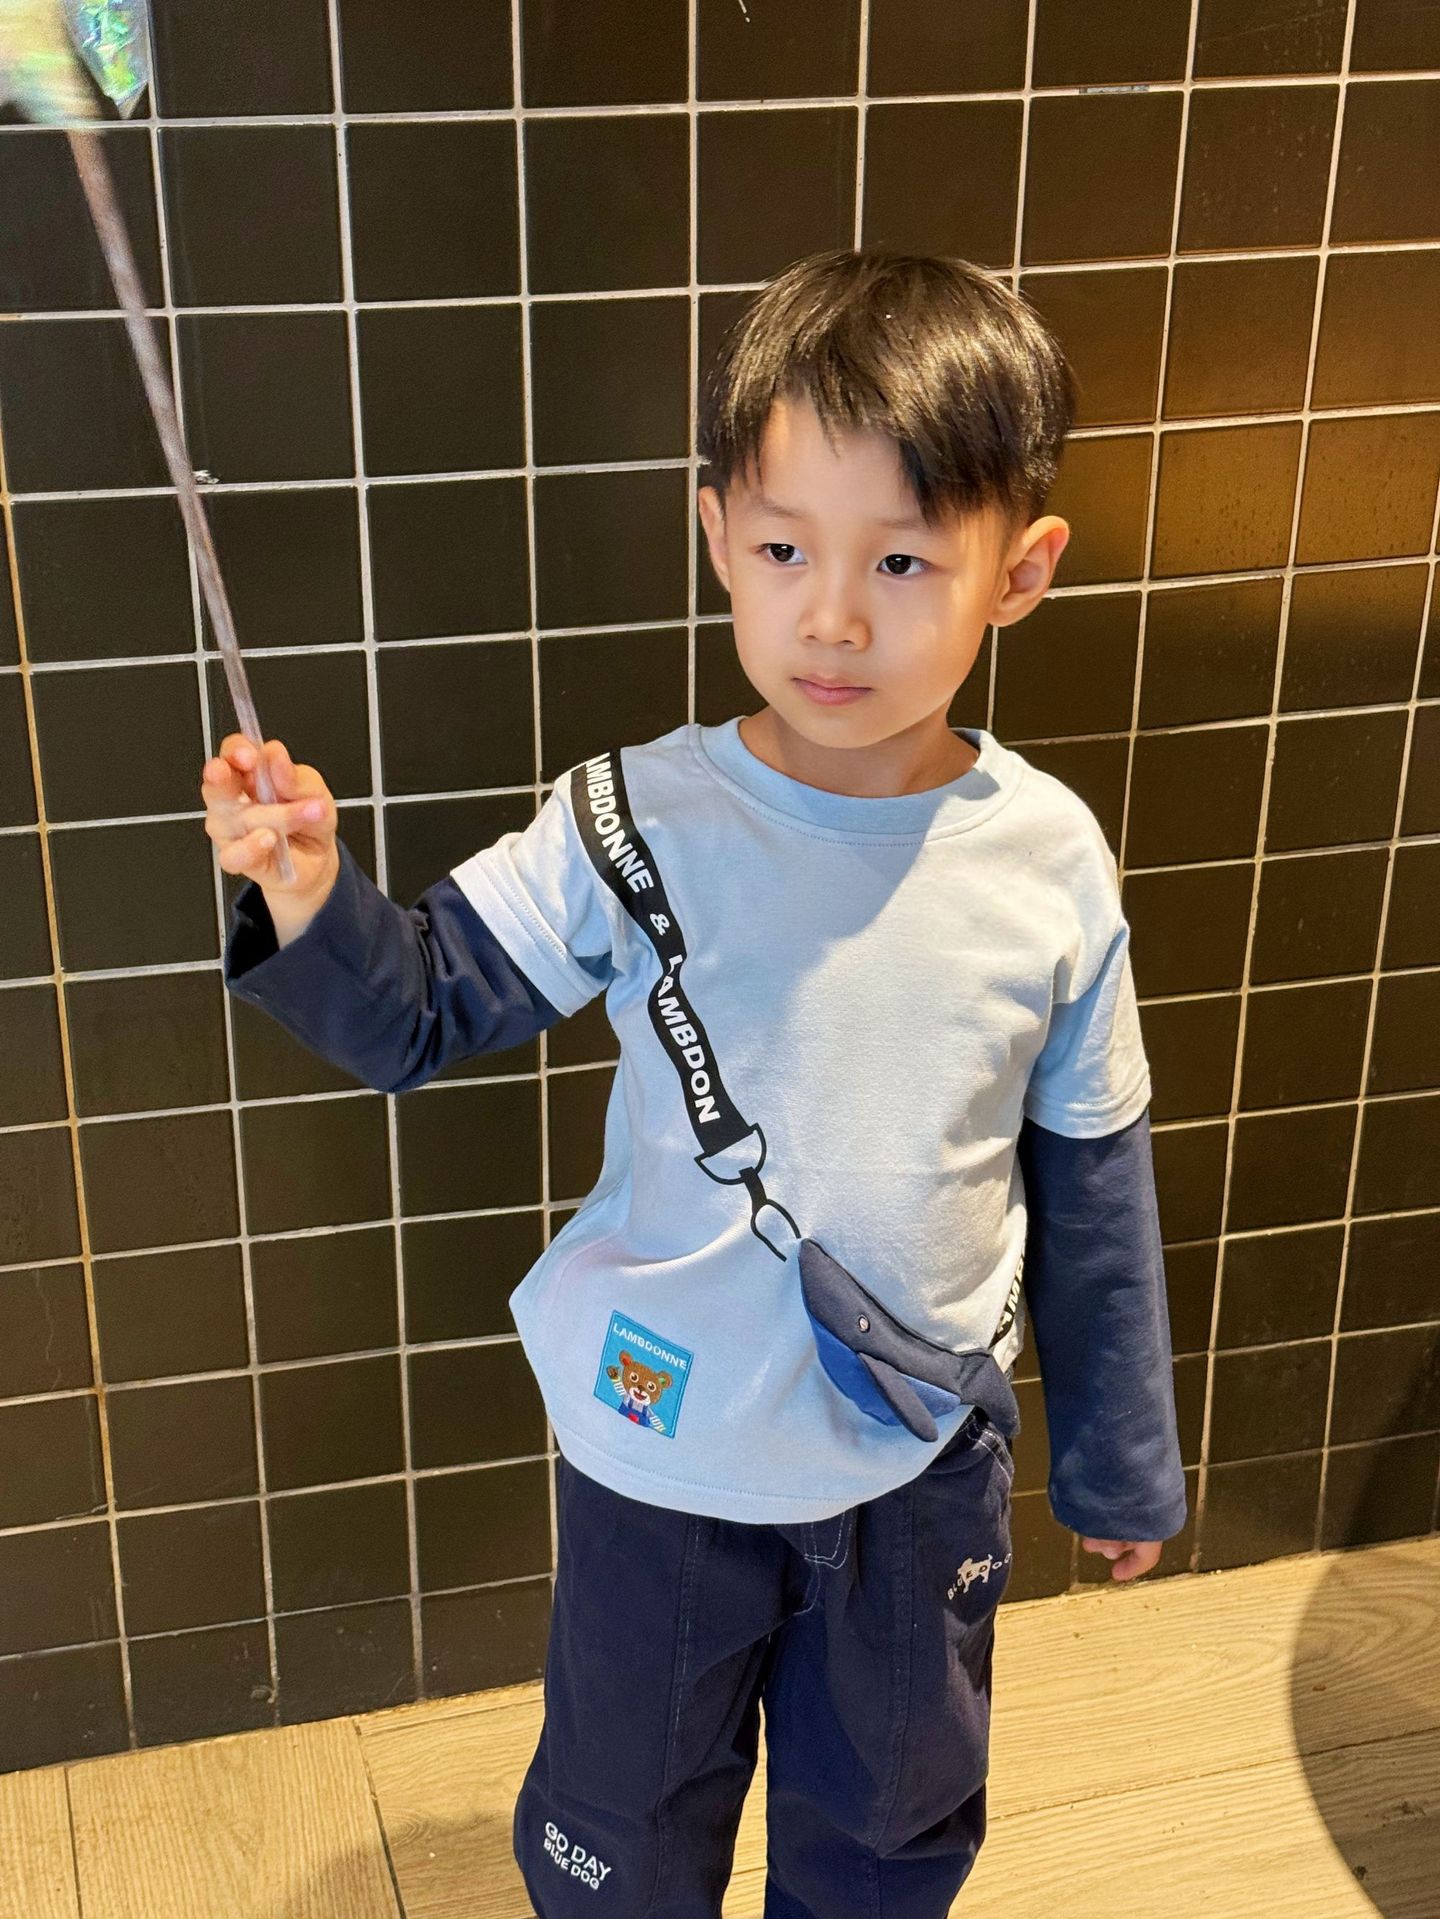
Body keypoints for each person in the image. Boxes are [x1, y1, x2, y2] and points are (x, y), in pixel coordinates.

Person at [202, 246, 1187, 1917]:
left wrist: (1118, 1465)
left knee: (888, 1838)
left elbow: (1093, 1183)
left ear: (1019, 572)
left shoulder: (1049, 863)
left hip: (915, 1459)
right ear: (718, 531)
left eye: (902, 559)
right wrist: (308, 895)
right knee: (622, 1836)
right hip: (656, 1456)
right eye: (787, 549)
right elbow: (420, 1009)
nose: (833, 616)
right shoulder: (631, 818)